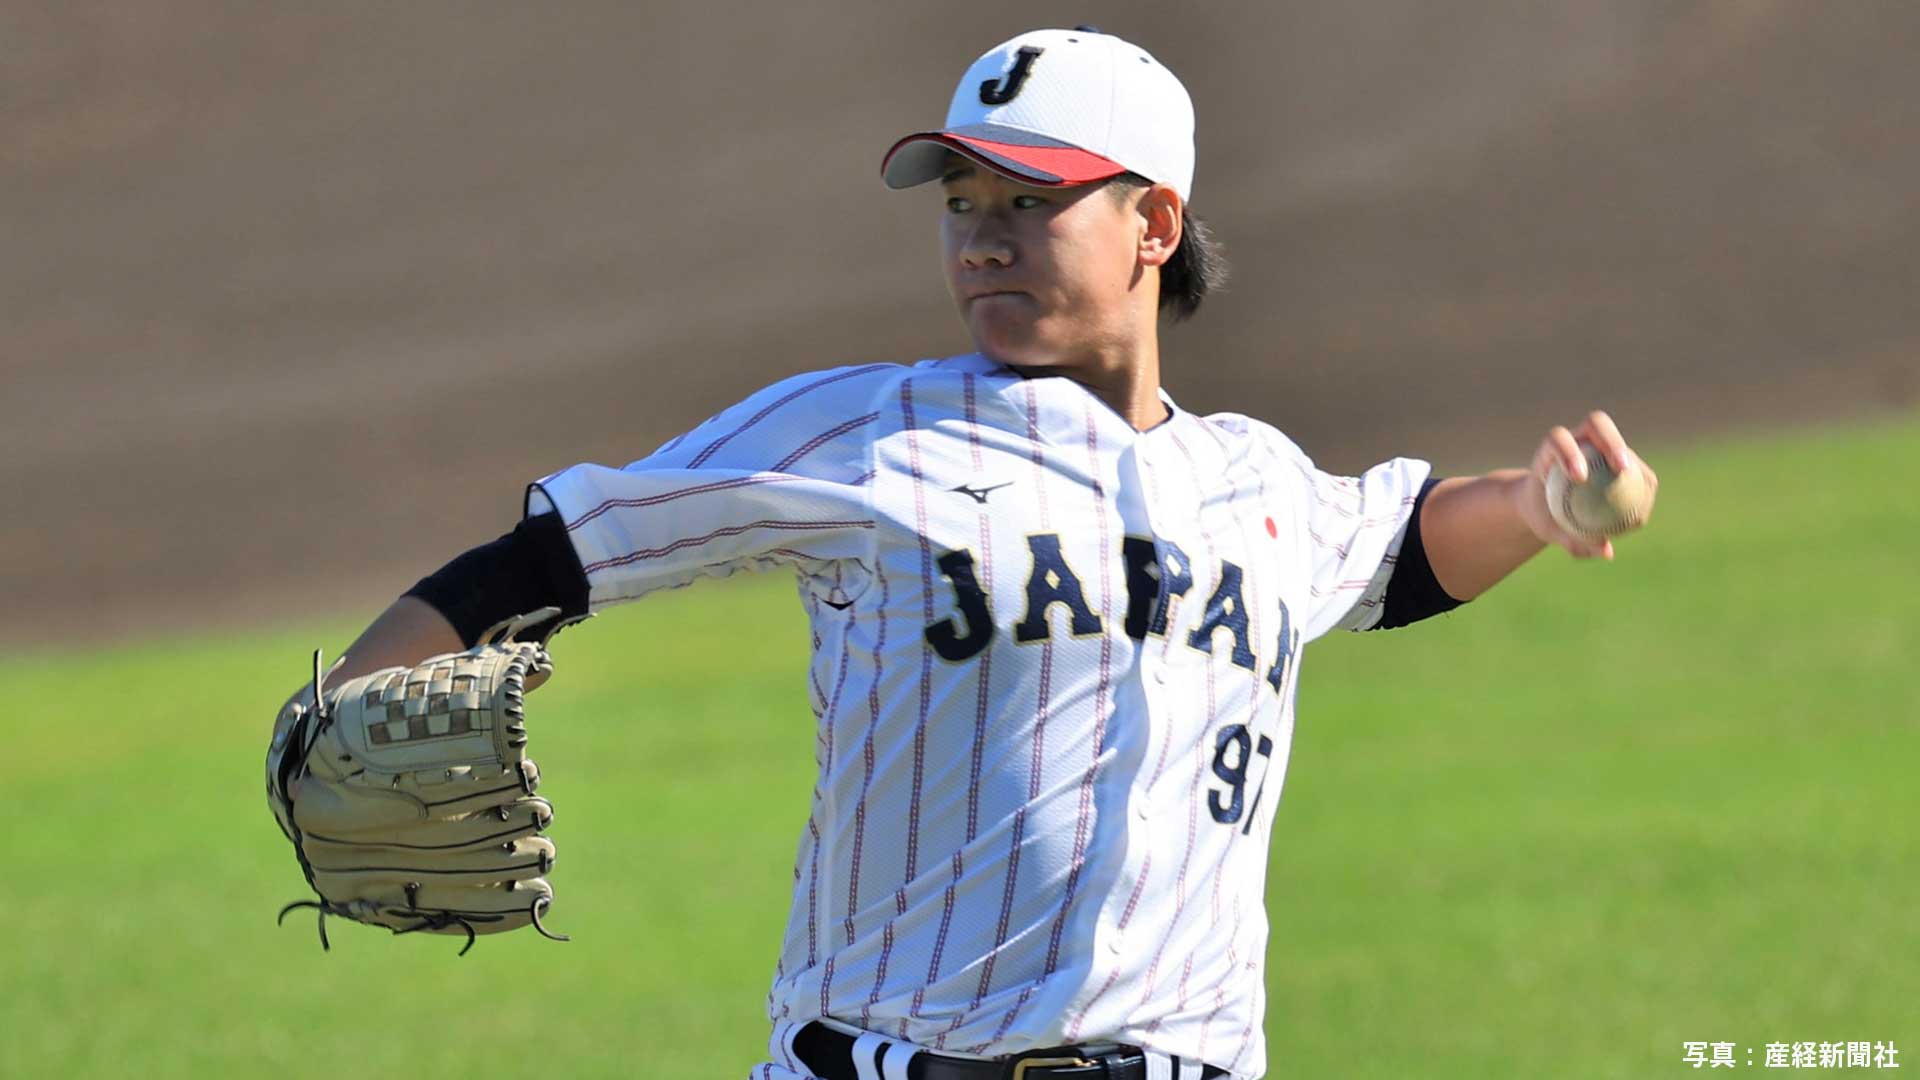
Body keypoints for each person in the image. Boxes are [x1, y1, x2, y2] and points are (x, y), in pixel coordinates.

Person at [302, 26, 1656, 1080]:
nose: (983, 239)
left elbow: (1401, 553)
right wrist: (338, 711)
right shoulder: (864, 434)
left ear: (1154, 225)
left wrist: (1544, 514)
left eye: (1032, 201)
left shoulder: (1250, 477)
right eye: (962, 202)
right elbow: (549, 558)